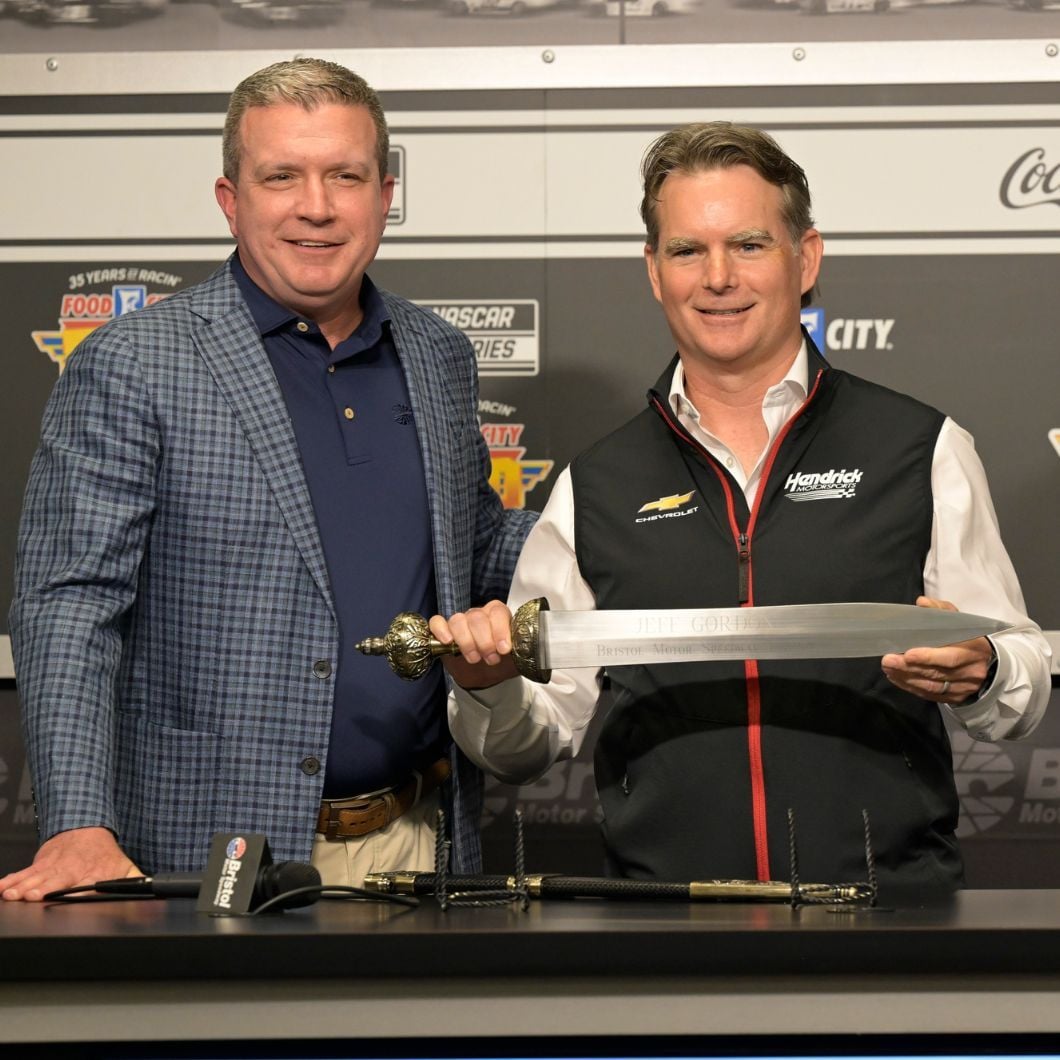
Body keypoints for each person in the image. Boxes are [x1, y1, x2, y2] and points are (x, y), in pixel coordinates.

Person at [436, 122, 1051, 896]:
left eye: (749, 244)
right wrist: (489, 687)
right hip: (666, 922)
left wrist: (987, 668)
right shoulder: (595, 486)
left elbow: (1022, 679)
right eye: (687, 250)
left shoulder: (920, 447)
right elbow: (529, 744)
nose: (718, 277)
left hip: (886, 914)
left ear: (806, 257)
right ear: (654, 271)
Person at [2, 58, 536, 902]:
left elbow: (475, 543)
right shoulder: (135, 363)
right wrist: (76, 823)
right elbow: (69, 605)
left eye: (345, 176)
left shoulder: (438, 354)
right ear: (231, 199)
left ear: (385, 196)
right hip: (208, 856)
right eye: (281, 175)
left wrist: (616, 520)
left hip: (420, 845)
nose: (315, 206)